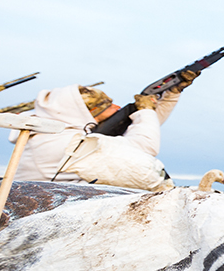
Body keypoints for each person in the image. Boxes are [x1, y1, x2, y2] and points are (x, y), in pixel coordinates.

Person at [12, 72, 196, 189]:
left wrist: (171, 94)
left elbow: (144, 130)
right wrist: (145, 111)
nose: (116, 107)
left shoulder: (52, 135)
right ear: (85, 112)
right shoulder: (62, 142)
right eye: (107, 106)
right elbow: (143, 147)